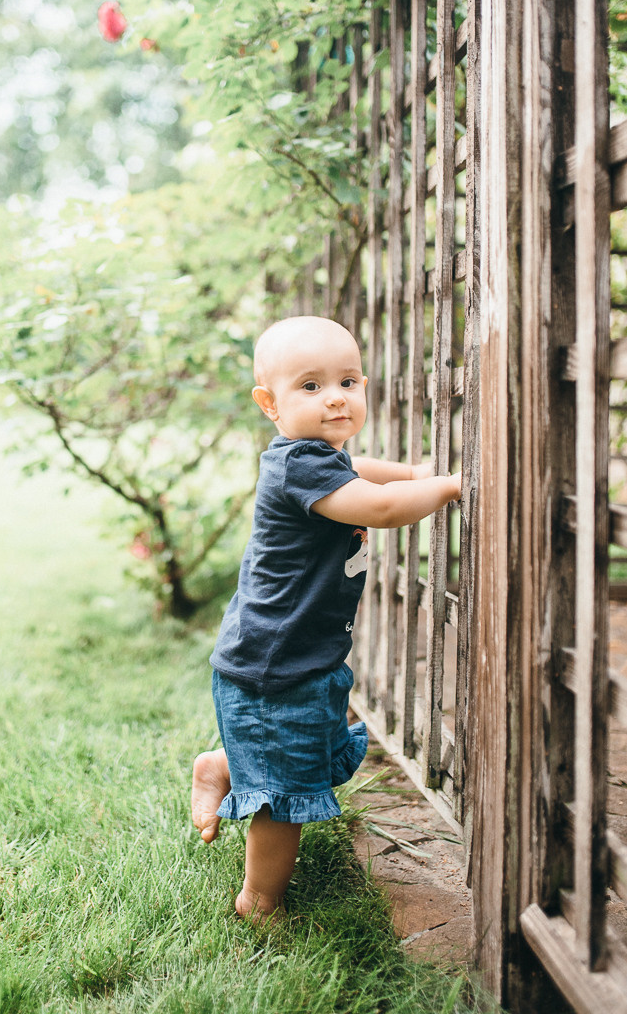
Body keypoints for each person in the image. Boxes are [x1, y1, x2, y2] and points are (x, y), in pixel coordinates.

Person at [191, 315, 461, 923]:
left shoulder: (321, 456)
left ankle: (228, 765)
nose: (335, 396)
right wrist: (447, 486)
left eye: (347, 381)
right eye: (310, 386)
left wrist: (414, 472)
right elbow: (381, 506)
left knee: (309, 754)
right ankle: (259, 901)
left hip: (299, 658)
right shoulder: (299, 466)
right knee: (286, 798)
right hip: (273, 667)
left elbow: (363, 468)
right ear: (270, 404)